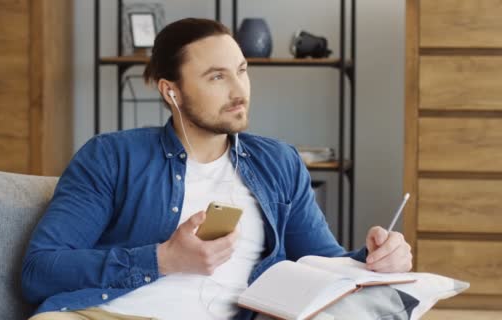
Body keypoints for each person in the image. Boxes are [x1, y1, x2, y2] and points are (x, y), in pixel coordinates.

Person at [22, 18, 412, 320]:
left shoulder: (279, 164)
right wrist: (162, 259)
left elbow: (322, 264)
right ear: (171, 91)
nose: (239, 90)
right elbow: (40, 269)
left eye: (242, 70)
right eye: (217, 77)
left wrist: (373, 261)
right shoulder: (112, 156)